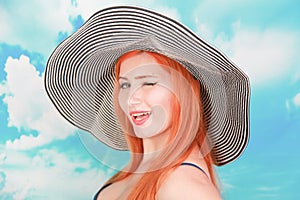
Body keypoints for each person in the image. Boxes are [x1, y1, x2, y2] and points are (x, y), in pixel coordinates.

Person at [45, 6, 250, 200]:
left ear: (187, 91)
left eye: (149, 83)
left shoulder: (184, 186)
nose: (132, 98)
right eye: (124, 85)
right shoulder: (140, 173)